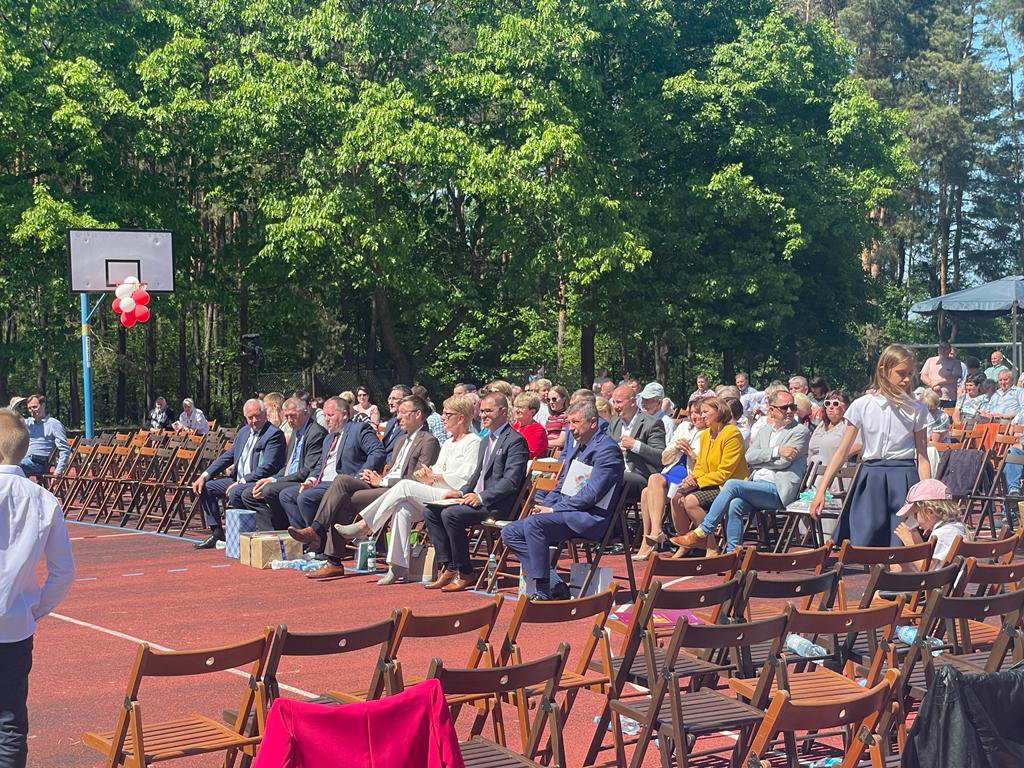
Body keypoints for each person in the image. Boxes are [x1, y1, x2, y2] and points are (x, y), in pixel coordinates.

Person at [333, 395, 482, 585]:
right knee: (402, 508)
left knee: (404, 486)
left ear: (461, 417)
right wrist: (426, 475)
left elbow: (466, 478)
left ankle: (365, 526)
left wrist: (433, 477)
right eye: (443, 413)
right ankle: (396, 567)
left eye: (447, 414)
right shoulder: (448, 443)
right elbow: (435, 472)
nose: (442, 417)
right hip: (436, 492)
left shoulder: (473, 442)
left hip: (454, 495)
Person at [0, 409, 75, 768]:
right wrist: (38, 608)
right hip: (16, 624)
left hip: (17, 622)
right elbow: (63, 571)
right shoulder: (44, 499)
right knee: (11, 719)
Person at [298, 395, 441, 580]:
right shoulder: (400, 441)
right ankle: (317, 531)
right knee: (341, 481)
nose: (398, 417)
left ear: (418, 414)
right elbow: (393, 470)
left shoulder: (428, 440)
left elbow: (418, 479)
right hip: (382, 484)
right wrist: (377, 477)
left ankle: (331, 557)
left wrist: (381, 481)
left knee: (342, 498)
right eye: (398, 413)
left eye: (403, 413)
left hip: (398, 492)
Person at [500, 400, 624, 600]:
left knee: (535, 525)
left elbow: (591, 494)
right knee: (510, 532)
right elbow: (562, 485)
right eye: (569, 422)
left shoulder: (607, 450)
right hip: (569, 511)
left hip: (590, 517)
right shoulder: (580, 446)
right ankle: (553, 581)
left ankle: (542, 590)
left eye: (575, 422)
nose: (571, 428)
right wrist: (546, 506)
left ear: (593, 423)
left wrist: (554, 510)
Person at [810, 344, 931, 546]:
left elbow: (923, 457)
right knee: (863, 543)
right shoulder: (862, 405)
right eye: (901, 373)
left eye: (910, 373)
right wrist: (821, 490)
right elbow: (841, 452)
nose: (907, 379)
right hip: (871, 476)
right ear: (884, 371)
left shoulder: (917, 408)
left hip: (904, 478)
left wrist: (926, 496)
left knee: (901, 546)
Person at [673, 389, 810, 554]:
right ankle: (732, 553)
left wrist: (768, 456)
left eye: (792, 407)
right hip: (755, 486)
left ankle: (702, 531)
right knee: (734, 504)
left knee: (731, 485)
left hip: (778, 490)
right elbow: (750, 457)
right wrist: (776, 451)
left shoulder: (800, 431)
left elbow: (783, 463)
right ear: (772, 409)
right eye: (784, 407)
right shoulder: (764, 431)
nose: (790, 411)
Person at [422, 393, 530, 592]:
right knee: (431, 511)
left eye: (488, 411)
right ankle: (449, 566)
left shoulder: (515, 441)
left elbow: (511, 482)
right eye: (481, 411)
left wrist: (480, 497)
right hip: (477, 500)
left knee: (451, 515)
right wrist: (460, 492)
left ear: (503, 412)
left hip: (497, 505)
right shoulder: (485, 440)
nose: (482, 415)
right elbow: (476, 476)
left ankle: (465, 571)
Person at [191, 399, 286, 549]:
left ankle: (249, 533)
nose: (254, 420)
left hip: (258, 480)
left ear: (265, 414)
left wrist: (242, 481)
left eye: (257, 416)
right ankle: (217, 534)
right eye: (250, 417)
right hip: (237, 479)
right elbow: (228, 456)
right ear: (245, 418)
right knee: (206, 487)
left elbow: (269, 466)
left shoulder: (274, 434)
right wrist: (204, 475)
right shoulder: (243, 432)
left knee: (235, 492)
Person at [279, 396, 385, 531]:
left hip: (341, 482)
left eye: (330, 415)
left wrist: (362, 473)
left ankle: (317, 539)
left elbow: (377, 452)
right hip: (321, 483)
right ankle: (305, 540)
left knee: (305, 498)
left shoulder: (359, 429)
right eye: (324, 416)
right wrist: (311, 480)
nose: (326, 419)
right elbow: (320, 465)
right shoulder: (329, 437)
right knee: (286, 495)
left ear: (345, 414)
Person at [668, 397, 748, 554]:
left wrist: (697, 483)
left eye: (705, 411)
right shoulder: (705, 435)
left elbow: (725, 473)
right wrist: (691, 478)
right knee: (676, 496)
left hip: (728, 485)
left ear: (719, 412)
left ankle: (711, 546)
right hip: (709, 482)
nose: (702, 415)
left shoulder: (732, 433)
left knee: (690, 501)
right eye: (701, 412)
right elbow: (700, 465)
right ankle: (685, 544)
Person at [239, 397, 327, 530]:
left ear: (305, 412)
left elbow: (306, 471)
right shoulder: (295, 432)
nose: (290, 420)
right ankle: (271, 532)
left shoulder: (316, 433)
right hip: (289, 478)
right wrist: (270, 478)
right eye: (287, 416)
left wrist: (274, 481)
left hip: (303, 481)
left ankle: (287, 528)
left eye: (293, 415)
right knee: (248, 494)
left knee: (269, 490)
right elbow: (287, 465)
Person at [634, 398, 704, 561]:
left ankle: (651, 538)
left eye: (699, 413)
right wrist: (675, 450)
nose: (695, 416)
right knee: (650, 485)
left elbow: (706, 464)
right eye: (692, 412)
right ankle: (653, 534)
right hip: (671, 471)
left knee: (648, 489)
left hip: (689, 476)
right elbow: (664, 458)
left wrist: (690, 454)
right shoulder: (683, 427)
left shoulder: (708, 433)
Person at [607, 385, 666, 504]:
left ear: (633, 402)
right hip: (614, 472)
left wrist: (635, 446)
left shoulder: (652, 423)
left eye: (618, 402)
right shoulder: (614, 422)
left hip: (640, 476)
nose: (615, 406)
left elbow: (661, 457)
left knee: (608, 476)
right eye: (613, 402)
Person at [893, 480, 970, 570]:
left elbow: (926, 569)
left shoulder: (941, 535)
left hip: (939, 582)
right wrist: (915, 536)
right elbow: (928, 559)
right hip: (949, 580)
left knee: (897, 568)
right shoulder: (956, 528)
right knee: (898, 567)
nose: (914, 519)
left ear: (930, 512)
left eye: (915, 514)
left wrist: (908, 542)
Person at [20, 395, 69, 478]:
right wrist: (13, 406)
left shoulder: (54, 424)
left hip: (40, 463)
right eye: (29, 408)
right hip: (25, 459)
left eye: (35, 407)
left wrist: (58, 471)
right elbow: (10, 423)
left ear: (43, 406)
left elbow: (64, 450)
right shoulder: (28, 423)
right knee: (7, 466)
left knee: (14, 467)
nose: (32, 410)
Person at [807, 390, 859, 467]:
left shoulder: (848, 425)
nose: (830, 407)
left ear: (846, 407)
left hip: (836, 474)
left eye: (835, 404)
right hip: (813, 473)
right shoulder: (821, 425)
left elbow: (858, 445)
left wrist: (838, 457)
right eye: (827, 403)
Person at [919, 341, 961, 408]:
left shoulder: (956, 362)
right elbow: (923, 376)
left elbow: (953, 378)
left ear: (950, 350)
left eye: (946, 348)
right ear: (938, 350)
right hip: (931, 397)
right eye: (941, 348)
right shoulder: (930, 360)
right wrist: (931, 384)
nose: (943, 350)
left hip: (948, 399)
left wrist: (936, 382)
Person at [511, 392, 548, 459]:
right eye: (516, 406)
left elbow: (530, 454)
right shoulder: (515, 426)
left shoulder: (538, 430)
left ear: (532, 412)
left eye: (521, 407)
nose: (516, 410)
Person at [380, 385, 412, 455]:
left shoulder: (412, 423)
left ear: (406, 400)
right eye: (389, 398)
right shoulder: (391, 422)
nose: (390, 403)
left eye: (394, 399)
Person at [543, 385, 570, 449]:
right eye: (548, 400)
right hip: (546, 450)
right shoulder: (550, 418)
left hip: (557, 452)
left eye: (554, 399)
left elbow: (561, 442)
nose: (551, 402)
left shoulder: (567, 417)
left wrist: (541, 444)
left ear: (564, 399)